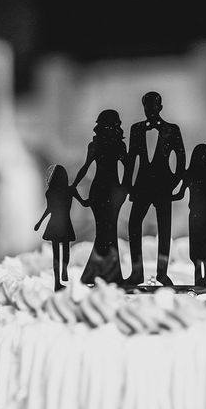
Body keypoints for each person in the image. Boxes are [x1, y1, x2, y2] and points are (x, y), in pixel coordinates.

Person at [123, 92, 186, 285]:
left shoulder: (172, 129)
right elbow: (130, 159)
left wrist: (174, 182)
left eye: (154, 105)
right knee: (134, 225)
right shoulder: (136, 129)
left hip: (163, 186)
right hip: (141, 185)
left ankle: (162, 273)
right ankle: (136, 272)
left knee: (164, 230)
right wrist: (128, 185)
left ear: (160, 107)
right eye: (147, 105)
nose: (150, 109)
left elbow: (181, 158)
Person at [72, 110, 128, 284]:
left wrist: (125, 188)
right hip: (104, 191)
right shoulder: (96, 145)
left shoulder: (117, 146)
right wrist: (73, 185)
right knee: (104, 231)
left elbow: (128, 167)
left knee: (108, 231)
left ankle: (102, 272)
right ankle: (105, 273)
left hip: (111, 191)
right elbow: (86, 167)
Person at [173, 144, 206, 286]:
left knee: (199, 248)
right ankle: (203, 279)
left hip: (198, 216)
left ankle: (202, 279)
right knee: (204, 248)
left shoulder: (190, 175)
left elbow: (179, 195)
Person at [34, 165, 85, 290]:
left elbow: (49, 210)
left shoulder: (50, 192)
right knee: (66, 250)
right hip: (65, 223)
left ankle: (59, 279)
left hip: (54, 224)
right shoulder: (70, 190)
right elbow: (84, 203)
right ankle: (63, 273)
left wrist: (40, 223)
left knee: (56, 254)